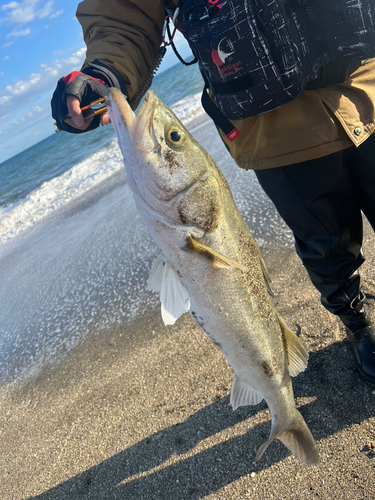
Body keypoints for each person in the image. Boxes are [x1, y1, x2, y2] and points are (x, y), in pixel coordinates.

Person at [51, 0, 375, 384]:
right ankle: (358, 322)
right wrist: (104, 72)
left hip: (365, 77)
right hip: (273, 128)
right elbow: (123, 15)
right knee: (326, 242)